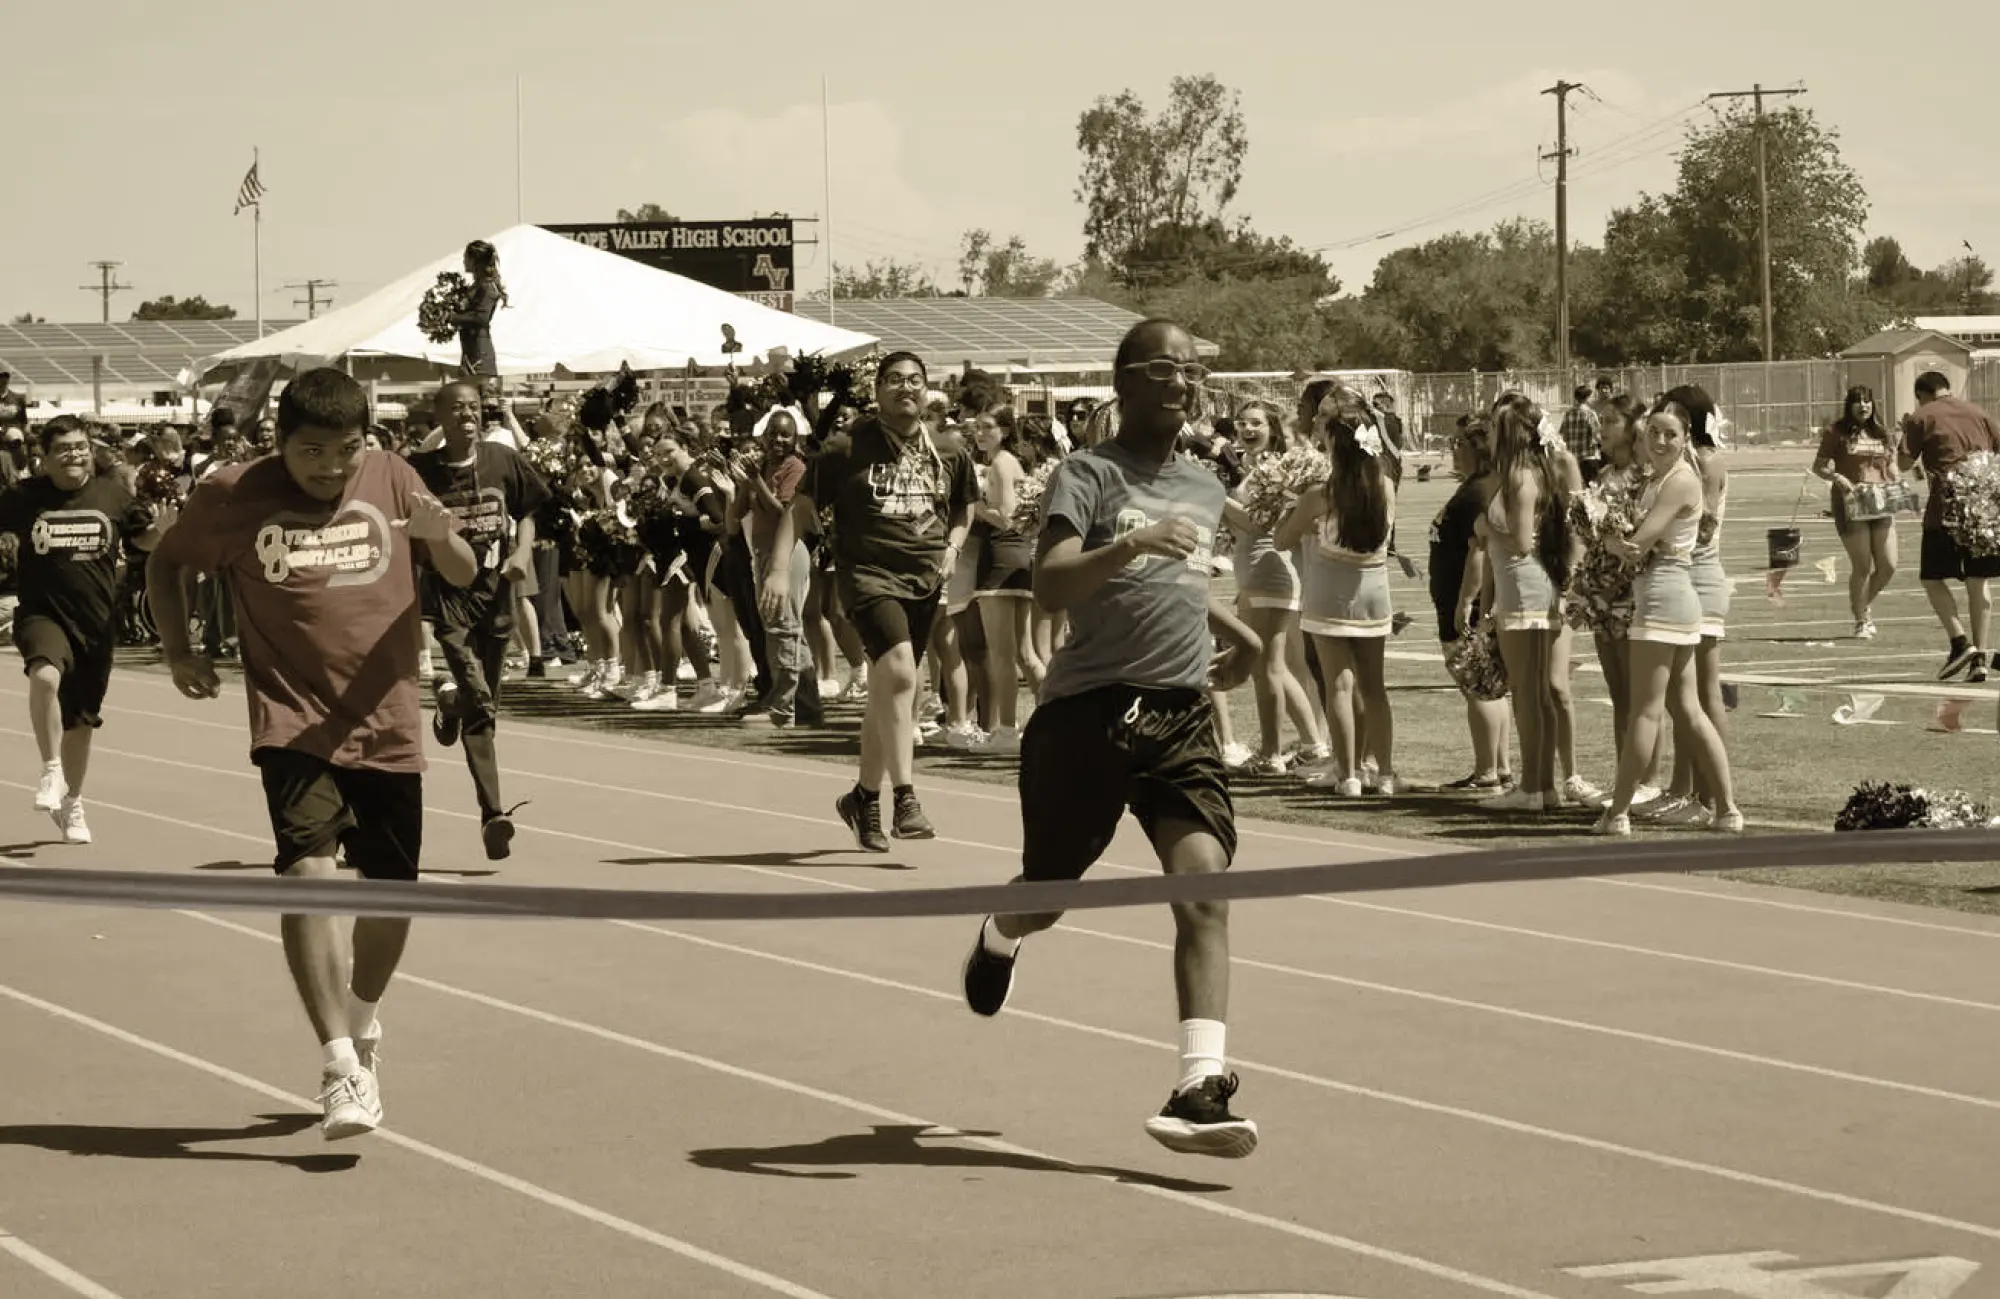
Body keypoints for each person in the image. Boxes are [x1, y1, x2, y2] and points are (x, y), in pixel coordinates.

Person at [959, 318, 1264, 1159]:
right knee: (1051, 892)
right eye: (1166, 368)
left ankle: (1199, 1086)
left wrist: (1245, 632)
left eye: (1193, 369)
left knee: (1204, 884)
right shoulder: (1085, 474)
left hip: (1178, 716)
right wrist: (1128, 538)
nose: (1185, 382)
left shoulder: (1204, 485)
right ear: (1125, 382)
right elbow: (1052, 584)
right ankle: (1000, 929)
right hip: (1088, 716)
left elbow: (1178, 580)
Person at [148, 367, 478, 1142]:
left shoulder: (394, 477)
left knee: (394, 896)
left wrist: (441, 536)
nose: (331, 467)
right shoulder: (231, 494)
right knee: (307, 869)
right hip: (293, 719)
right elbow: (167, 563)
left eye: (345, 449)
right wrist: (177, 649)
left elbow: (463, 570)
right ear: (279, 442)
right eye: (311, 452)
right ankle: (338, 1065)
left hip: (388, 719)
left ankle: (363, 1025)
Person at [766, 352, 978, 851]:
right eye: (895, 381)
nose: (906, 388)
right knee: (903, 672)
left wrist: (952, 548)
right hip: (867, 576)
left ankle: (863, 797)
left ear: (926, 390)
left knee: (892, 689)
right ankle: (905, 797)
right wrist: (778, 570)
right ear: (878, 390)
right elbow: (800, 509)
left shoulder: (947, 447)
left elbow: (966, 503)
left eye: (915, 381)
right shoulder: (846, 447)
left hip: (924, 579)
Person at [1, 416, 170, 843]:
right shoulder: (24, 498)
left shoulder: (112, 494)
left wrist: (165, 532)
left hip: (95, 624)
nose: (75, 454)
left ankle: (72, 803)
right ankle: (50, 770)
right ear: (45, 457)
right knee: (44, 675)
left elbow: (141, 539)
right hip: (43, 614)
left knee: (80, 723)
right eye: (64, 448)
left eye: (81, 446)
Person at [408, 380, 551, 860]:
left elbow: (529, 511)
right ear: (440, 415)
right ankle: (493, 810)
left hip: (497, 594)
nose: (466, 415)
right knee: (482, 699)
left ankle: (451, 707)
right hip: (449, 599)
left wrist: (523, 553)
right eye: (456, 408)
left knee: (480, 713)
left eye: (473, 407)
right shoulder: (421, 470)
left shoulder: (502, 459)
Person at [1898, 370, 2000, 683]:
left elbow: (1902, 464)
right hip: (1984, 508)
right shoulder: (1977, 411)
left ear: (1922, 394)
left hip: (1947, 506)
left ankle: (1959, 642)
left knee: (1932, 577)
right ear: (1947, 388)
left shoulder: (1921, 416)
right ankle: (1980, 657)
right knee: (1978, 581)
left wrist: (1905, 431)